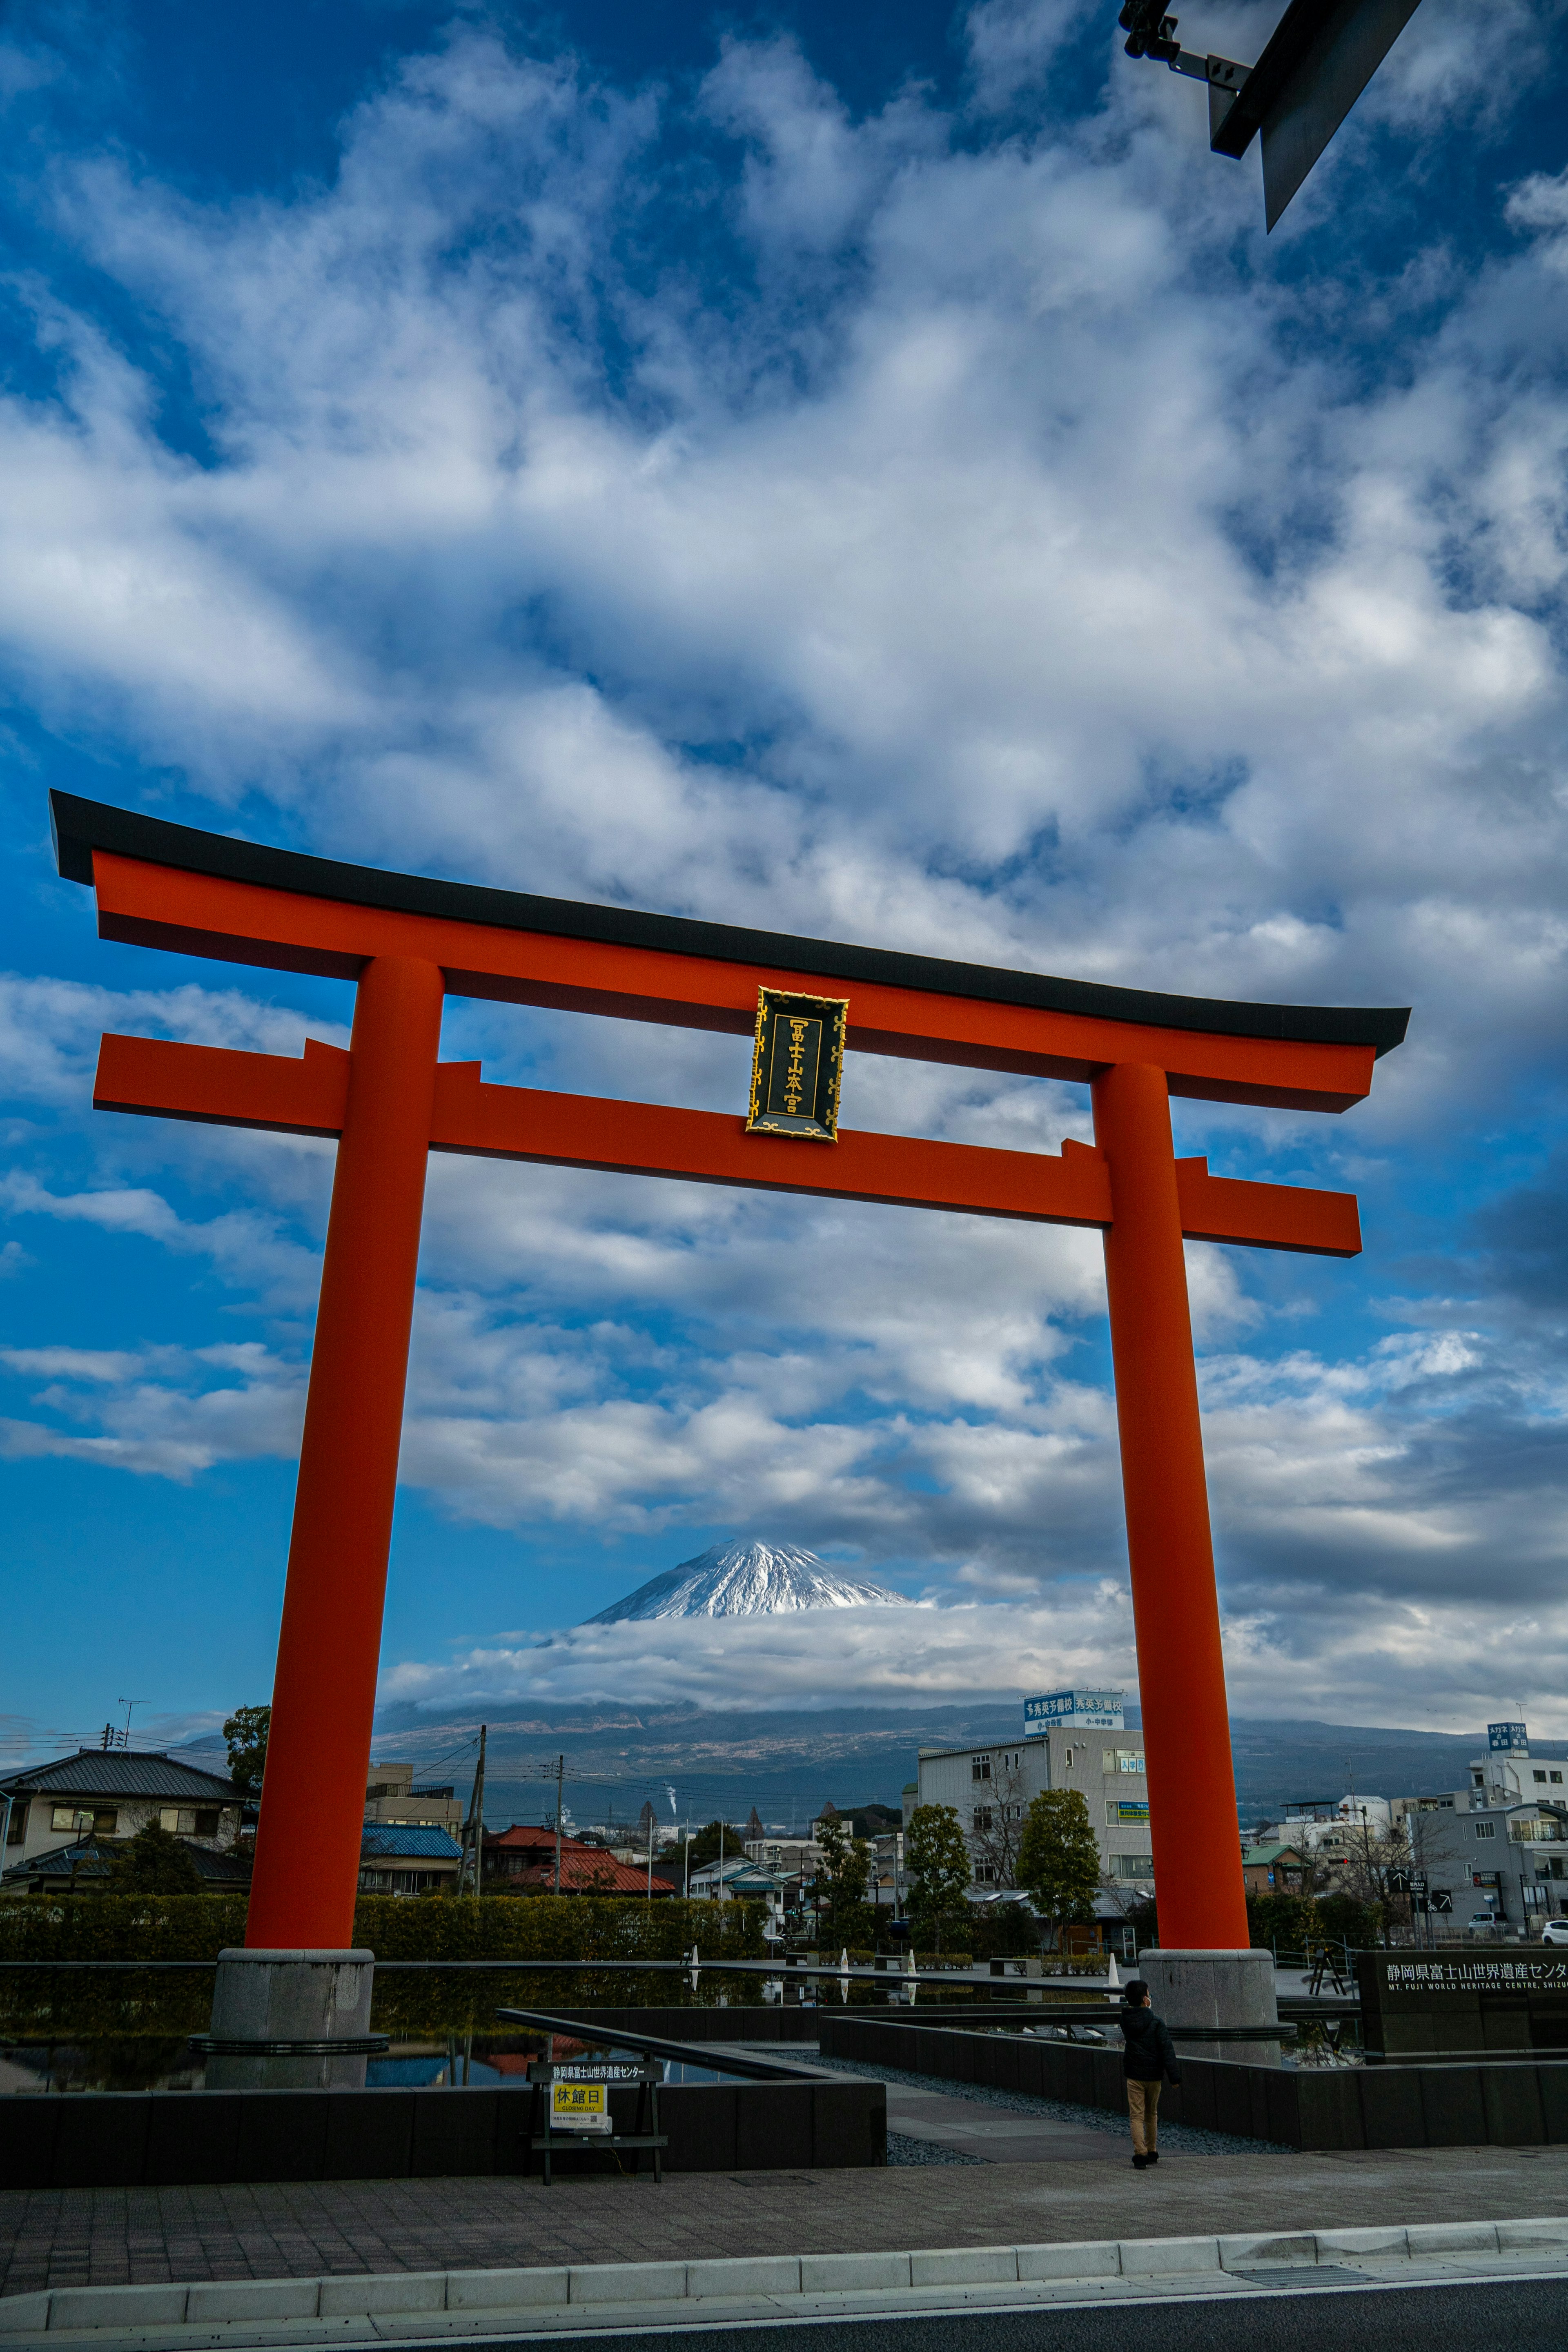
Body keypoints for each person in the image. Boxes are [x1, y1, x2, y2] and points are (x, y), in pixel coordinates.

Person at [1119, 1978, 1180, 2169]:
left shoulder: (1125, 2020)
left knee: (1136, 2115)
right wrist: (1174, 2077)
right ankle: (1152, 2150)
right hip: (1154, 2077)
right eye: (1148, 1994)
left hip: (1134, 2076)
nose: (1150, 1997)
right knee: (1151, 2114)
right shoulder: (1156, 2023)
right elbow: (1167, 2051)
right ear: (1145, 1999)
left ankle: (1140, 2154)